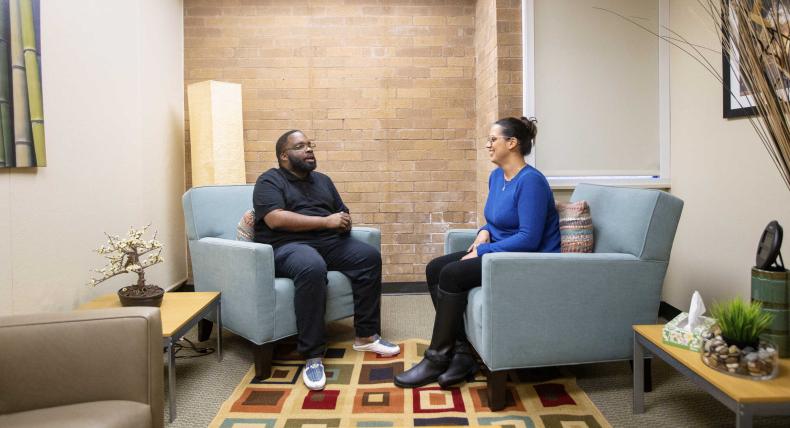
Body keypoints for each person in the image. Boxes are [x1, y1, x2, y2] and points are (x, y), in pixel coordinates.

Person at [394, 117, 561, 389]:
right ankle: (462, 354)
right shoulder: (497, 177)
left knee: (452, 274)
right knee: (435, 268)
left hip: (527, 262)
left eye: (493, 139)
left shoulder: (532, 182)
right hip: (502, 254)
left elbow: (529, 239)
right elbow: (497, 221)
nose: (487, 145)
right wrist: (484, 231)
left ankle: (436, 358)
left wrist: (483, 249)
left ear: (512, 143)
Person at [253, 130, 400, 391]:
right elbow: (274, 219)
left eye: (310, 145)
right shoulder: (269, 181)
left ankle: (366, 335)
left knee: (368, 257)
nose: (309, 150)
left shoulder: (323, 180)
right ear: (284, 156)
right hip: (288, 245)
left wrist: (343, 221)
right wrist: (325, 221)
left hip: (328, 241)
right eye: (301, 146)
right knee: (311, 265)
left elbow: (341, 210)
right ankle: (312, 355)